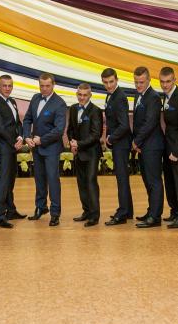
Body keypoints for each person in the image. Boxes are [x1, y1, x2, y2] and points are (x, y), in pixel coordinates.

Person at [23, 73, 67, 226]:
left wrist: (41, 140)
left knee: (53, 180)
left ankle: (55, 213)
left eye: (47, 86)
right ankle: (40, 207)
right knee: (39, 179)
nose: (44, 89)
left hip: (51, 148)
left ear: (53, 85)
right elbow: (27, 119)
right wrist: (27, 136)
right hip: (36, 148)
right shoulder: (35, 98)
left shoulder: (60, 103)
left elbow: (59, 130)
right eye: (41, 85)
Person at [0, 75, 26, 228]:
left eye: (10, 85)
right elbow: (0, 128)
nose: (7, 88)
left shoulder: (12, 101)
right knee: (3, 181)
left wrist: (20, 137)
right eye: (4, 85)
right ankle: (0, 215)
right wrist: (14, 142)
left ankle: (11, 210)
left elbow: (18, 123)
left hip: (12, 146)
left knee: (11, 180)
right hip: (3, 147)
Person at [131, 66, 165, 228]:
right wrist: (138, 143)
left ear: (149, 80)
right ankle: (151, 211)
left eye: (141, 82)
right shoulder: (138, 96)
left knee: (154, 181)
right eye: (136, 82)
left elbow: (150, 122)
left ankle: (155, 217)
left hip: (153, 146)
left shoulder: (154, 97)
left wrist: (136, 141)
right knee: (147, 180)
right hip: (143, 146)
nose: (138, 85)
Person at [159, 67, 178, 229]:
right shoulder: (166, 96)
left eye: (168, 81)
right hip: (167, 145)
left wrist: (177, 151)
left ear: (174, 80)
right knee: (170, 181)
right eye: (162, 82)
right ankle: (175, 211)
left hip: (177, 147)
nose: (165, 85)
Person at [101, 68, 133, 226]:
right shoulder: (111, 95)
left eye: (111, 82)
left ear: (117, 80)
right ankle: (128, 211)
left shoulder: (119, 97)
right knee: (122, 178)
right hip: (118, 142)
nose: (109, 85)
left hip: (121, 143)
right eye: (106, 82)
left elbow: (124, 125)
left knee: (121, 179)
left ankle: (122, 213)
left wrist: (110, 138)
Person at [67, 83, 103, 226]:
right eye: (80, 95)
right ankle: (86, 211)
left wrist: (78, 144)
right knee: (81, 183)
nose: (82, 98)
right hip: (78, 152)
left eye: (85, 95)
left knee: (90, 182)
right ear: (77, 94)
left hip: (92, 153)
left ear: (90, 95)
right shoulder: (73, 109)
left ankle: (94, 216)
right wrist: (72, 143)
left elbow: (96, 134)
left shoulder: (96, 111)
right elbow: (70, 130)